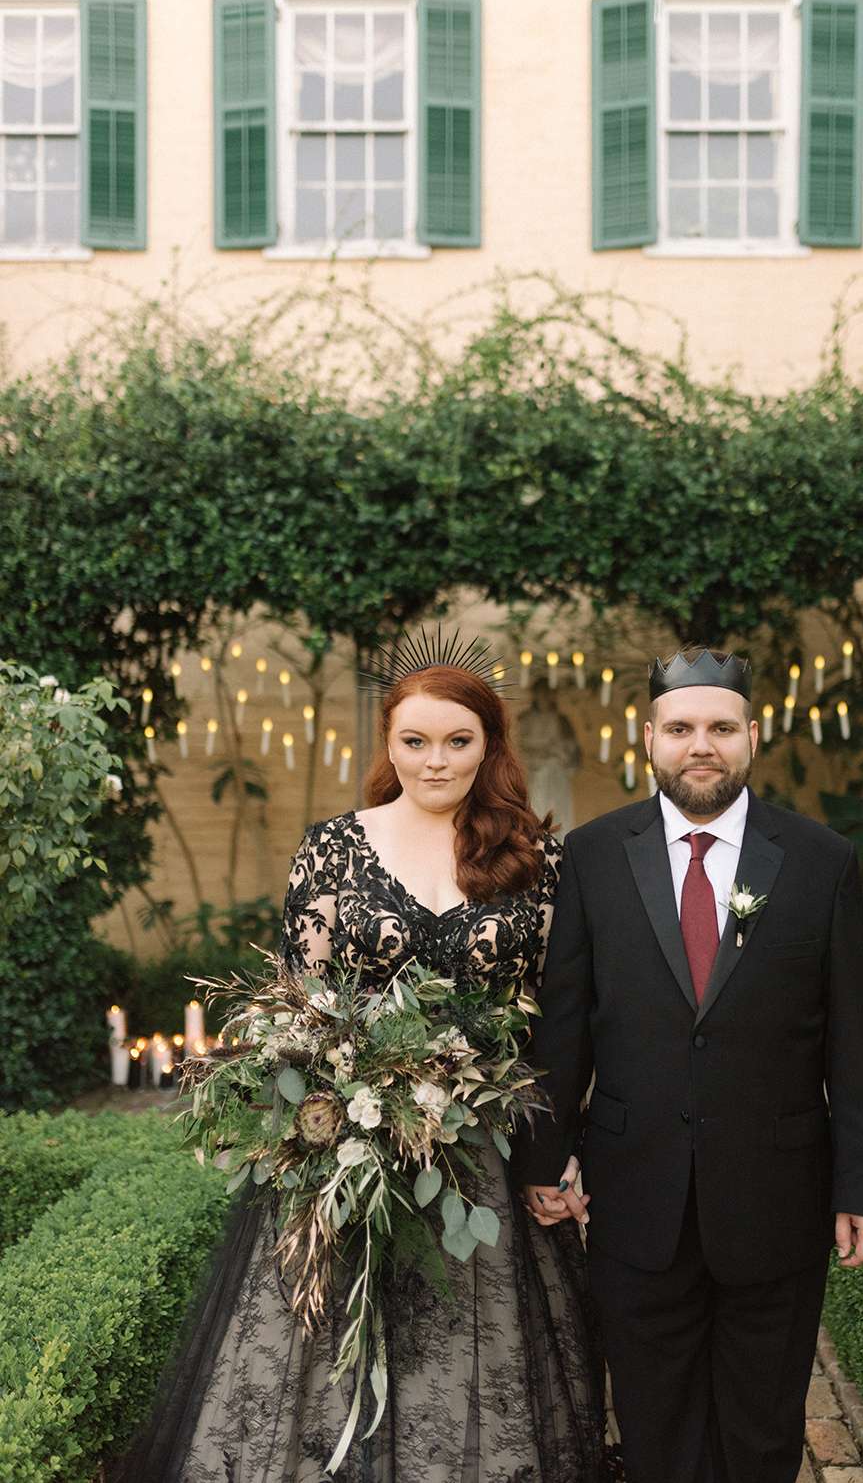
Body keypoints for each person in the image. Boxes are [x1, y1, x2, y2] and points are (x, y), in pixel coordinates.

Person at [119, 635, 607, 1483]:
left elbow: (559, 1022)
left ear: (489, 745)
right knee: (332, 1347)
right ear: (388, 744)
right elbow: (299, 1008)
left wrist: (557, 1143)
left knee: (476, 1346)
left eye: (457, 741)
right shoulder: (333, 848)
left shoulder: (536, 858)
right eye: (415, 741)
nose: (435, 761)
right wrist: (345, 1108)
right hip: (353, 1146)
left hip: (484, 1154)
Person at [513, 646, 863, 1483]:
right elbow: (566, 1022)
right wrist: (545, 1158)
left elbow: (852, 1034)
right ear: (649, 739)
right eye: (682, 728)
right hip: (634, 1193)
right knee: (654, 1426)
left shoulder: (819, 859)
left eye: (722, 728)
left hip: (778, 1194)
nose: (702, 745)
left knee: (762, 1432)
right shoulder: (592, 855)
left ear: (752, 738)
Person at [517, 678, 582, 834]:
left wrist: (558, 752)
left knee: (560, 814)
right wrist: (544, 751)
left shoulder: (562, 721)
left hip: (558, 775)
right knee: (538, 809)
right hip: (537, 775)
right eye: (541, 693)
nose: (545, 697)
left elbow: (572, 750)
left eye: (548, 693)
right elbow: (521, 748)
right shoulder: (526, 719)